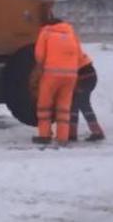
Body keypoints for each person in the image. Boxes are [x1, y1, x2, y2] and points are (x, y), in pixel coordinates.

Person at [33, 16, 83, 146]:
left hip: (51, 74)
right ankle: (62, 137)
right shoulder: (71, 33)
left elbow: (39, 54)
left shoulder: (46, 32)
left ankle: (44, 135)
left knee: (44, 106)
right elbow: (79, 55)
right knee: (64, 108)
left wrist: (39, 68)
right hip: (71, 76)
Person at [70, 52, 106, 142]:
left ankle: (97, 132)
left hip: (84, 79)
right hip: (89, 77)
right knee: (75, 105)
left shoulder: (64, 55)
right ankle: (72, 134)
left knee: (82, 104)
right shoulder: (72, 49)